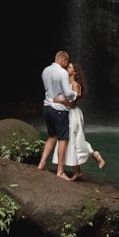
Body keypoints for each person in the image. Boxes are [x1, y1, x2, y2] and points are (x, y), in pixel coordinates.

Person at [61, 60, 107, 180]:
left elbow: (73, 100)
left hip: (73, 114)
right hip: (68, 113)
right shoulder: (67, 83)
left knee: (75, 140)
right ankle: (81, 167)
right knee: (74, 141)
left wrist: (60, 100)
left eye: (69, 68)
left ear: (74, 72)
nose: (67, 69)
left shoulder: (75, 84)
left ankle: (92, 157)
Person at [36, 50, 78, 180]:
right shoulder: (62, 72)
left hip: (47, 107)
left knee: (52, 136)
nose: (66, 65)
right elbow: (67, 91)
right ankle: (60, 171)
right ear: (63, 60)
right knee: (63, 139)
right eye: (66, 62)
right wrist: (74, 94)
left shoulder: (45, 71)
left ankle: (42, 164)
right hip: (59, 109)